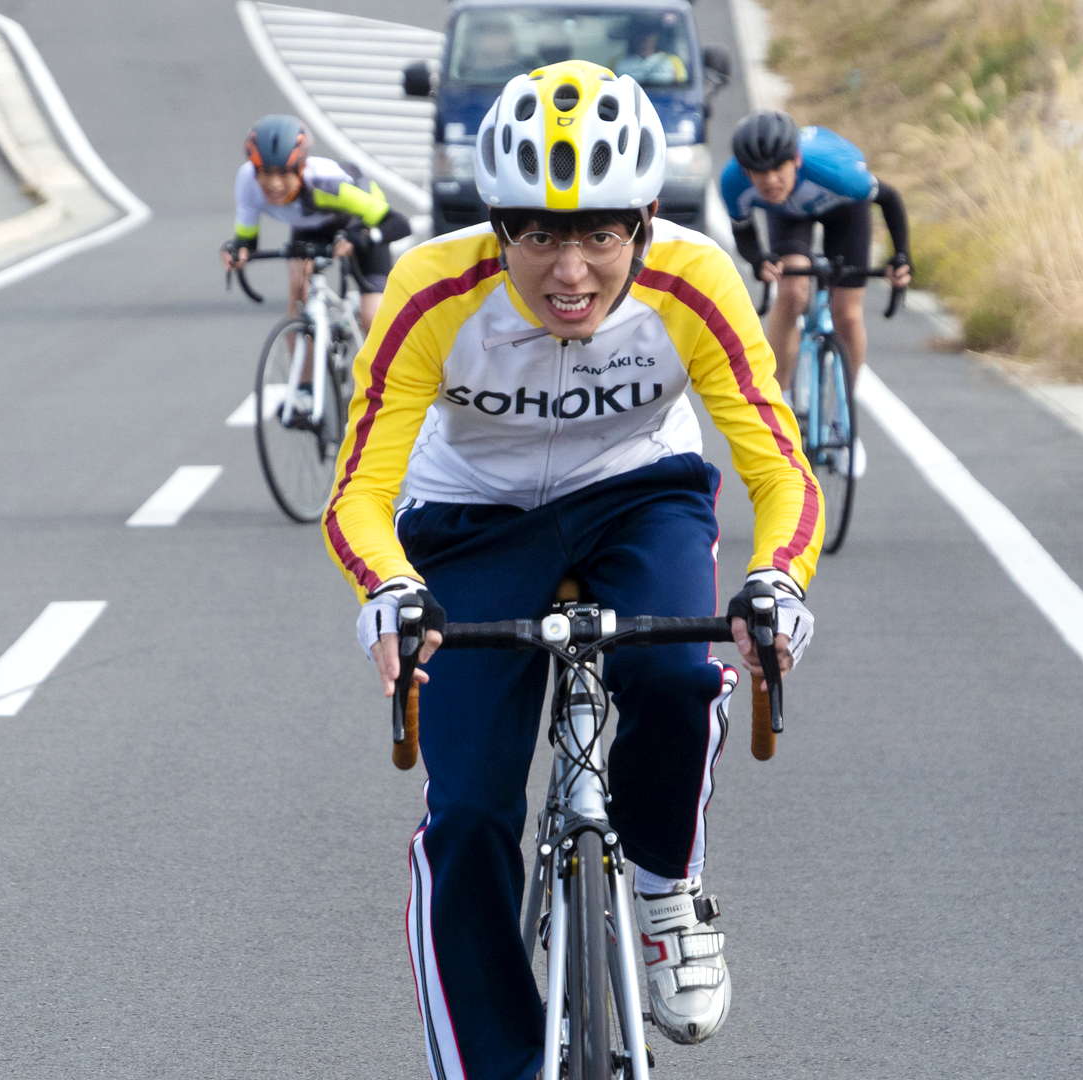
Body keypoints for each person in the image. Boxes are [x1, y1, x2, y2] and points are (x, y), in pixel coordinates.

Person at [322, 60, 820, 1080]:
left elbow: (779, 468)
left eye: (601, 233)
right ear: (497, 225)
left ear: (644, 220)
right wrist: (388, 588)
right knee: (465, 818)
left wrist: (779, 580)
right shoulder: (431, 291)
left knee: (681, 675)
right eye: (539, 234)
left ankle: (663, 891)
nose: (571, 271)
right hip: (471, 519)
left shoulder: (695, 280)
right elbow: (359, 495)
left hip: (637, 493)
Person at [720, 110, 913, 474]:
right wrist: (760, 260)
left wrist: (901, 257)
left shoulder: (836, 172)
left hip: (844, 209)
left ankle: (843, 418)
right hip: (789, 217)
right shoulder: (732, 182)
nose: (771, 180)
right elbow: (744, 232)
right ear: (745, 171)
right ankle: (782, 400)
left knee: (847, 312)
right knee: (791, 291)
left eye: (779, 168)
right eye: (760, 173)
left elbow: (889, 199)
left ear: (795, 159)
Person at [218, 114, 411, 333]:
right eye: (265, 173)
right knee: (298, 302)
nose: (274, 184)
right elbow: (246, 239)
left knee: (372, 318)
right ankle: (302, 366)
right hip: (311, 228)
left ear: (301, 168)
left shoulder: (325, 184)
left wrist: (362, 238)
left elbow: (399, 224)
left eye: (284, 173)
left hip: (360, 225)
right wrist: (238, 251)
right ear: (254, 169)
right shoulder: (247, 181)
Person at [615, 16, 687, 84]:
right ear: (633, 37)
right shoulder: (617, 62)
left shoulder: (673, 61)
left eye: (649, 34)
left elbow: (683, 88)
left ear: (657, 37)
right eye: (640, 34)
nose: (644, 38)